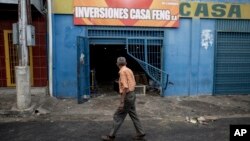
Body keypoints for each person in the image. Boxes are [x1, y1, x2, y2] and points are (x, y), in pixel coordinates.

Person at [101, 57, 146, 141]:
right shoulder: (129, 70)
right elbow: (132, 83)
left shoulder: (122, 72)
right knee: (133, 115)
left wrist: (122, 101)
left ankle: (111, 136)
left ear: (117, 64)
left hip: (127, 96)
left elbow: (125, 87)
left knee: (118, 115)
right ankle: (141, 133)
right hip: (132, 95)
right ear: (126, 63)